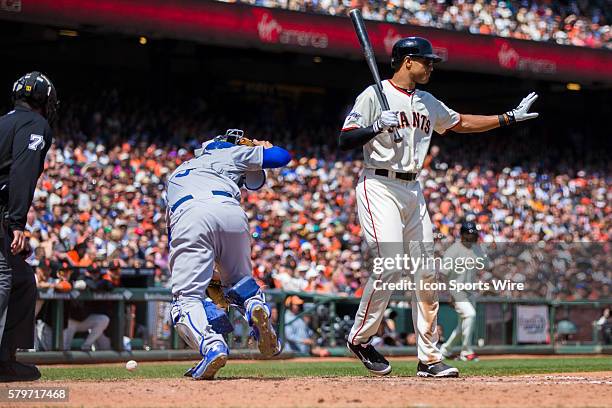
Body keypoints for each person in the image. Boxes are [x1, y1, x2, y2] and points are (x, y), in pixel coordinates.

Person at [339, 37, 538, 377]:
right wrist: (376, 126)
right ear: (407, 62)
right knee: (389, 264)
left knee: (426, 273)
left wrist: (507, 118)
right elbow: (345, 139)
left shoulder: (427, 101)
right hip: (380, 184)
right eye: (425, 60)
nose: (431, 66)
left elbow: (461, 123)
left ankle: (429, 359)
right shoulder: (374, 95)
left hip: (413, 189)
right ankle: (360, 338)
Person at [166, 129, 291, 380]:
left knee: (186, 300)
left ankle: (212, 347)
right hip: (230, 210)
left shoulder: (179, 172)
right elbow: (282, 157)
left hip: (188, 213)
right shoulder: (230, 153)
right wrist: (263, 148)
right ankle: (255, 305)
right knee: (239, 284)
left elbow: (174, 231)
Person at [0, 72, 57, 382]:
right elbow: (23, 171)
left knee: (22, 279)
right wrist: (17, 221)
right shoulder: (35, 124)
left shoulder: (4, 122)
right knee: (5, 277)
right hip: (3, 211)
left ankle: (6, 360)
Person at [439, 221, 488, 361]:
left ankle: (445, 350)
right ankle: (466, 352)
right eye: (469, 234)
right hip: (456, 290)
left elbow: (485, 264)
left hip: (470, 291)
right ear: (462, 234)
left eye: (474, 234)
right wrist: (448, 293)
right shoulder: (453, 250)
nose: (472, 236)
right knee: (470, 315)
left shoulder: (476, 249)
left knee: (463, 325)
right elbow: (443, 274)